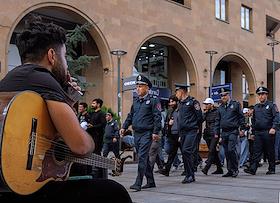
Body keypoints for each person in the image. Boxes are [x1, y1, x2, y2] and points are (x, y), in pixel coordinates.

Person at [0, 16, 132, 202]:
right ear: (52, 56)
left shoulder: (8, 81)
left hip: (8, 185)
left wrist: (68, 98)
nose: (66, 64)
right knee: (114, 192)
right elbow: (80, 146)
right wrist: (89, 139)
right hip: (26, 191)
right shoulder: (45, 80)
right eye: (65, 57)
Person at [120, 74, 162, 191]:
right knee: (143, 158)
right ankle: (151, 181)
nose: (137, 88)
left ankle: (138, 183)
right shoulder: (136, 102)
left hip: (147, 133)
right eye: (137, 86)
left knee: (142, 157)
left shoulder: (153, 101)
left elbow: (157, 117)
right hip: (136, 133)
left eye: (140, 86)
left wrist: (155, 132)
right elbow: (130, 116)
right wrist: (124, 126)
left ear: (147, 88)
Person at [244, 86, 279, 175]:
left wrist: (273, 128)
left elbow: (276, 117)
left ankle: (272, 169)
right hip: (258, 132)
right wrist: (253, 132)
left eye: (262, 94)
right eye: (259, 94)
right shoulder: (256, 107)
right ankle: (253, 169)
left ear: (266, 95)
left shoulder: (271, 105)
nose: (260, 96)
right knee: (256, 151)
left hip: (268, 131)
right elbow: (254, 121)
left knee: (270, 151)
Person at [175, 83, 203, 184]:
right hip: (182, 132)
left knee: (187, 151)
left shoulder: (193, 102)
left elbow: (200, 117)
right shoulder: (180, 104)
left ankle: (190, 174)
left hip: (191, 131)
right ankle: (189, 174)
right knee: (184, 152)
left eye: (177, 91)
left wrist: (195, 127)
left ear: (181, 91)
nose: (176, 94)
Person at [214, 88, 245, 178]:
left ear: (228, 95)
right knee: (226, 152)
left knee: (231, 150)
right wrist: (216, 132)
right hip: (224, 132)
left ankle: (235, 169)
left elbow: (241, 117)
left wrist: (242, 128)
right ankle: (230, 170)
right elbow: (217, 121)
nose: (223, 97)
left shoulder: (235, 104)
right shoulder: (220, 108)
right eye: (221, 95)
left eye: (225, 95)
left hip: (233, 131)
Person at [159, 95, 181, 176]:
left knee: (185, 153)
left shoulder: (180, 110)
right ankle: (167, 170)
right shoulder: (170, 111)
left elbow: (182, 123)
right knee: (171, 152)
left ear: (176, 102)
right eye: (170, 102)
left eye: (173, 101)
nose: (171, 103)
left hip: (180, 134)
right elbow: (167, 122)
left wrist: (181, 135)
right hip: (172, 134)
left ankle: (190, 170)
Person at [201, 98, 223, 175]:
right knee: (214, 152)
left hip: (215, 134)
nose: (206, 106)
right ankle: (219, 169)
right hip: (207, 134)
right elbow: (201, 120)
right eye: (205, 104)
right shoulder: (206, 112)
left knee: (211, 151)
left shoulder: (217, 112)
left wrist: (217, 134)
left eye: (207, 104)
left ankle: (206, 168)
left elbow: (218, 123)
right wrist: (204, 113)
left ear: (211, 104)